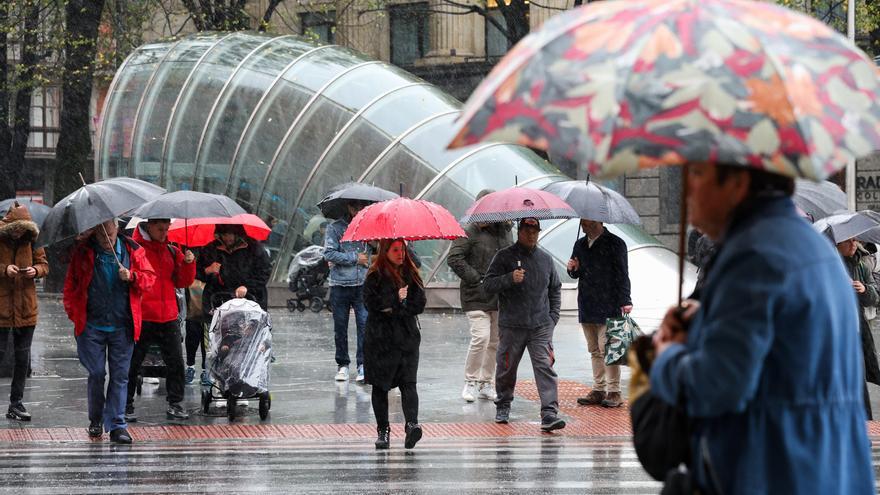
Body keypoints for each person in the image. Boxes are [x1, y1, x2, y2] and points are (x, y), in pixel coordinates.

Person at [651, 163, 874, 493]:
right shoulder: (809, 247)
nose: (687, 189)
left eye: (698, 174)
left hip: (775, 472)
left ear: (738, 183)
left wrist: (667, 356)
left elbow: (716, 386)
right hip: (826, 472)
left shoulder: (755, 256)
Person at [64, 219, 156, 444]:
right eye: (102, 233)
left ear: (117, 228)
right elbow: (70, 286)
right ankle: (96, 419)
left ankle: (117, 425)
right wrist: (75, 314)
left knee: (120, 376)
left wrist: (132, 276)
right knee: (96, 373)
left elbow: (149, 280)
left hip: (122, 326)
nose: (107, 237)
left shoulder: (133, 250)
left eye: (110, 231)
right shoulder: (83, 252)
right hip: (92, 326)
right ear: (94, 232)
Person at [482, 217, 564, 432]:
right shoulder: (504, 257)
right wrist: (509, 278)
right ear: (520, 230)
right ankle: (503, 405)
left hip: (540, 326)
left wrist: (552, 317)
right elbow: (488, 285)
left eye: (535, 230)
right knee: (506, 367)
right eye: (527, 230)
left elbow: (555, 288)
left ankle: (549, 413)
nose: (531, 234)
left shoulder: (546, 259)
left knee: (545, 367)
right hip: (511, 325)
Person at [125, 219, 196, 422]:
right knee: (133, 362)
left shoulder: (171, 250)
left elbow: (183, 281)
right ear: (149, 226)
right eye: (160, 229)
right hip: (144, 314)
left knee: (175, 362)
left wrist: (189, 263)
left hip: (168, 315)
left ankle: (175, 403)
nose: (164, 233)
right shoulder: (135, 249)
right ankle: (126, 403)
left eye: (167, 229)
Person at [447, 190, 512, 403]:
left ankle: (486, 382)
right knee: (481, 338)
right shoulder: (469, 230)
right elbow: (454, 257)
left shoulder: (505, 230)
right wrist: (476, 278)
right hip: (475, 294)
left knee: (495, 341)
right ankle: (471, 381)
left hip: (498, 294)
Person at [363, 239, 426, 450]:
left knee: (409, 383)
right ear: (385, 251)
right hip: (380, 339)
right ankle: (383, 430)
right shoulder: (375, 275)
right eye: (395, 250)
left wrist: (403, 305)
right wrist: (394, 300)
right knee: (380, 386)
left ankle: (412, 425)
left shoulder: (412, 273)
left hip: (406, 338)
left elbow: (420, 303)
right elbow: (370, 303)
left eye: (403, 249)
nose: (400, 254)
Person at [567, 219, 632, 408]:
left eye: (586, 220)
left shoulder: (615, 243)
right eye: (582, 220)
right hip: (587, 302)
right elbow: (575, 273)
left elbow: (622, 273)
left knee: (608, 349)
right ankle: (598, 388)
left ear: (598, 220)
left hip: (608, 302)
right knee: (594, 349)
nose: (582, 223)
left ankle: (614, 391)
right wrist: (572, 269)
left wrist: (625, 300)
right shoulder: (580, 243)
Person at [0, 202, 48, 421]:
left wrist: (35, 270)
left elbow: (44, 265)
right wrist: (4, 269)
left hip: (26, 307)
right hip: (2, 307)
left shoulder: (32, 240)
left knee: (22, 359)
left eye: (23, 228)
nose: (19, 232)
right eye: (16, 227)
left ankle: (16, 404)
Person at [324, 200, 372, 382]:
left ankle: (362, 364)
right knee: (340, 327)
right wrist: (354, 258)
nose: (358, 211)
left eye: (362, 208)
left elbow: (373, 252)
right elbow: (329, 253)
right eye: (355, 207)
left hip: (362, 285)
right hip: (340, 284)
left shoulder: (369, 227)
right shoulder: (335, 228)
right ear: (349, 207)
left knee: (364, 325)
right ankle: (343, 364)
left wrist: (373, 244)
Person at [835, 236, 880, 420]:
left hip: (858, 329)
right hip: (835, 331)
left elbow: (875, 298)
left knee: (858, 377)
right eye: (848, 241)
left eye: (855, 240)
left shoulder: (860, 263)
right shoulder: (826, 265)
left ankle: (863, 424)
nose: (854, 244)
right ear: (837, 243)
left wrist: (864, 289)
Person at [198, 224, 272, 314]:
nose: (228, 238)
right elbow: (197, 273)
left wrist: (247, 287)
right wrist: (207, 270)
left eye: (231, 234)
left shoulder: (254, 248)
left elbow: (264, 271)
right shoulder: (210, 249)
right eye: (224, 234)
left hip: (251, 299)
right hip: (218, 300)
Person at [184, 277, 211, 386]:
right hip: (192, 315)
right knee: (191, 342)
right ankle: (190, 367)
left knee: (207, 344)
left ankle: (205, 370)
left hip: (207, 315)